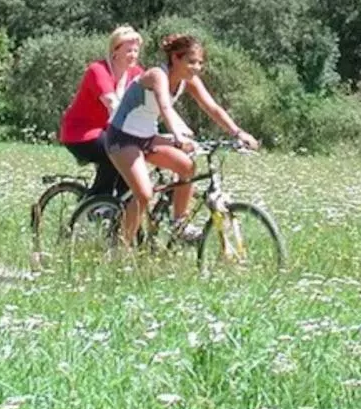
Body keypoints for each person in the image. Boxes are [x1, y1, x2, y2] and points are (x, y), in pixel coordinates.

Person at [103, 33, 260, 246]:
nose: (196, 67)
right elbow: (165, 106)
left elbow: (212, 107)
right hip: (122, 136)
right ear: (175, 58)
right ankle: (121, 249)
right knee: (144, 194)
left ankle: (179, 225)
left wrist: (237, 132)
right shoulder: (158, 75)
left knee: (187, 167)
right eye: (191, 61)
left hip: (147, 137)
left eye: (200, 63)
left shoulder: (189, 80)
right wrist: (178, 135)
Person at [59, 25, 145, 197]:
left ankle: (122, 209)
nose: (134, 55)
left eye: (136, 51)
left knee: (130, 168)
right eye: (129, 51)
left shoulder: (136, 73)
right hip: (80, 134)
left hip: (108, 132)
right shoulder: (98, 70)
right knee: (117, 151)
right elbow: (112, 103)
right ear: (115, 51)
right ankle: (96, 204)